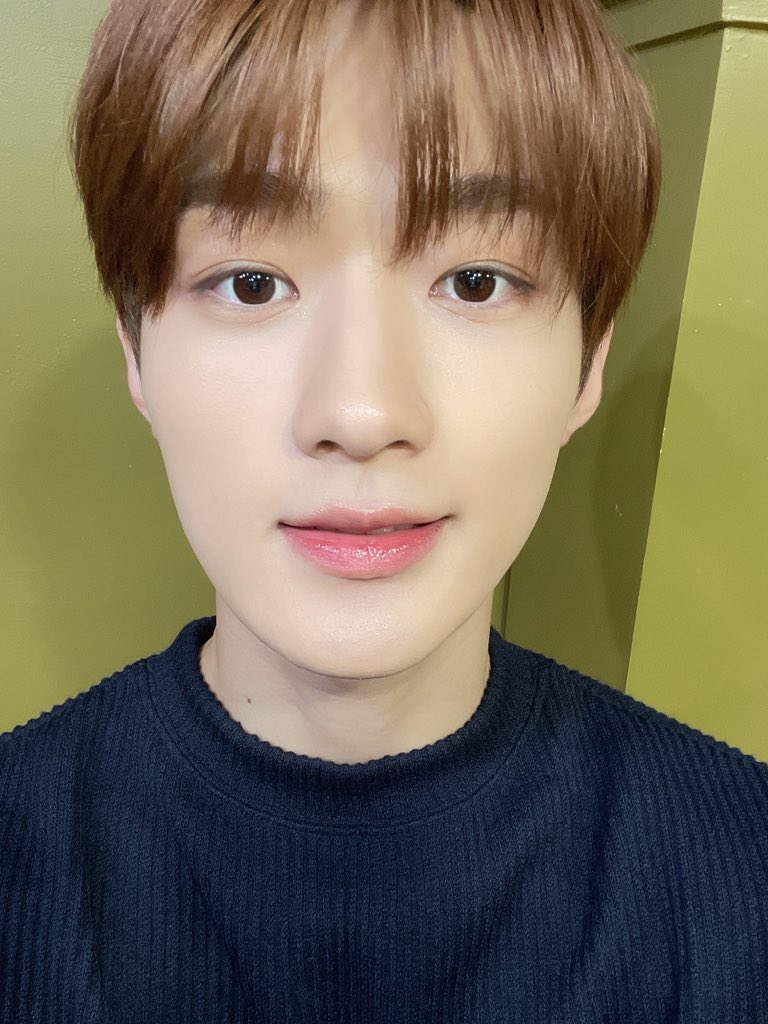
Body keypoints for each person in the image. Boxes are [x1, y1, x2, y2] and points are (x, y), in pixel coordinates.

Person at [1, 0, 766, 1019]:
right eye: (251, 283)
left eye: (477, 281)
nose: (361, 414)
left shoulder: (742, 872)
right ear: (137, 351)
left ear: (589, 362)